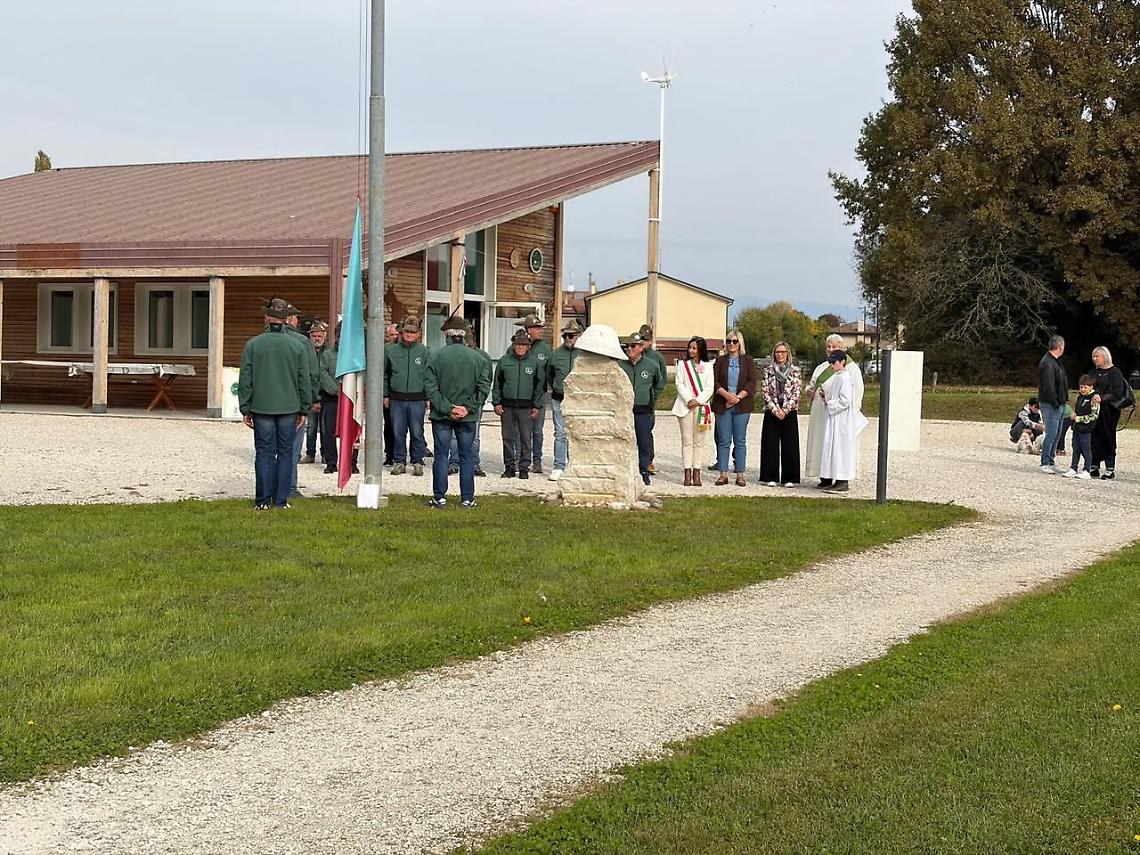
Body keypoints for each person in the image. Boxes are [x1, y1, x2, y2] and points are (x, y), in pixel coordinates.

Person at [237, 298, 312, 510]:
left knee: (264, 453)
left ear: (269, 318)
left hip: (261, 407)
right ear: (286, 319)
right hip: (289, 407)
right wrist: (304, 408)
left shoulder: (253, 344)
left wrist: (245, 407)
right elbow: (303, 379)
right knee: (286, 453)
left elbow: (245, 378)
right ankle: (281, 500)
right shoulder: (297, 345)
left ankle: (262, 500)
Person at [423, 315, 491, 508]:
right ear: (463, 335)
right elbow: (484, 387)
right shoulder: (478, 358)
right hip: (467, 416)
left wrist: (447, 408)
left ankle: (439, 497)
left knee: (441, 455)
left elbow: (431, 388)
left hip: (442, 415)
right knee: (467, 456)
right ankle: (467, 498)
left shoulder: (435, 357)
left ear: (447, 334)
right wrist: (467, 408)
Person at [805, 333, 864, 489]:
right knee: (822, 443)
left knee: (837, 446)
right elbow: (811, 384)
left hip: (839, 415)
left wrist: (853, 414)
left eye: (834, 347)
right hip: (821, 413)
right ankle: (824, 475)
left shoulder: (851, 368)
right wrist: (809, 391)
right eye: (828, 347)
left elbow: (857, 392)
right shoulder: (822, 367)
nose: (831, 349)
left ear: (842, 348)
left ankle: (840, 478)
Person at [493, 329, 545, 479]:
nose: (520, 347)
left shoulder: (534, 363)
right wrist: (496, 402)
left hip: (526, 407)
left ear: (528, 346)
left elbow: (539, 386)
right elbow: (497, 383)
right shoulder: (504, 361)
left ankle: (524, 467)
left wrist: (537, 406)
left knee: (525, 438)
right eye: (518, 344)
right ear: (513, 345)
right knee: (507, 437)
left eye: (523, 344)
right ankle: (509, 467)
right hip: (507, 406)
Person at [384, 316, 431, 476]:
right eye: (406, 332)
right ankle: (399, 461)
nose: (409, 335)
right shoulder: (390, 351)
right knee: (398, 431)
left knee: (417, 431)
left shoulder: (425, 352)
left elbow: (429, 376)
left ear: (418, 334)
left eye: (413, 332)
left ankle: (417, 461)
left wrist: (428, 397)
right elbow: (384, 374)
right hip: (396, 398)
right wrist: (385, 395)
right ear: (401, 333)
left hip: (417, 399)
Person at [817, 350, 869, 494]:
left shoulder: (845, 378)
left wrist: (830, 403)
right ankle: (833, 478)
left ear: (843, 362)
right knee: (833, 448)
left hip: (842, 420)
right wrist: (826, 398)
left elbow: (845, 400)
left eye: (834, 362)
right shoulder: (839, 377)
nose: (832, 365)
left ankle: (842, 480)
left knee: (840, 449)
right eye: (830, 362)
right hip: (836, 418)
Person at [711, 329, 757, 487]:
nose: (731, 344)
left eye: (735, 341)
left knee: (740, 440)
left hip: (741, 406)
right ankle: (723, 473)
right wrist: (726, 395)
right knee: (723, 440)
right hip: (723, 405)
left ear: (740, 343)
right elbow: (715, 381)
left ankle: (740, 474)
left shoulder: (748, 361)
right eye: (729, 341)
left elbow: (752, 382)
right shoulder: (720, 361)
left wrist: (737, 397)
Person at [284, 304, 320, 497]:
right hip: (294, 403)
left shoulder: (259, 341)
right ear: (290, 319)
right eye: (296, 317)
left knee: (269, 449)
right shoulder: (302, 342)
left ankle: (269, 487)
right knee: (291, 448)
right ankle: (289, 487)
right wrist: (312, 400)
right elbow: (311, 374)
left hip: (266, 405)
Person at [447, 318, 491, 478]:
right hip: (455, 400)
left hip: (474, 402)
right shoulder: (452, 355)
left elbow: (487, 380)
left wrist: (480, 399)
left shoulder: (482, 357)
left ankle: (474, 462)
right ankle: (454, 462)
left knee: (475, 435)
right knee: (453, 435)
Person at [621, 332, 665, 485]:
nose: (629, 349)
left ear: (641, 347)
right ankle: (625, 470)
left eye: (633, 346)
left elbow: (659, 384)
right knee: (624, 442)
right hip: (624, 411)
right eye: (627, 346)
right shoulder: (621, 365)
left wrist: (651, 398)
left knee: (643, 442)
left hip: (643, 411)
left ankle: (643, 470)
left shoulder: (651, 365)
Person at [671, 335, 714, 486]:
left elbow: (710, 387)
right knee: (687, 441)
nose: (691, 350)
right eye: (690, 347)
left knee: (699, 442)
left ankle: (697, 473)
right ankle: (687, 474)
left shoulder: (708, 367)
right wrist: (689, 399)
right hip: (685, 406)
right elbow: (679, 384)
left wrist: (698, 400)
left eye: (694, 348)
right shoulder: (683, 365)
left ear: (701, 350)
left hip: (702, 407)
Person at [759, 340, 802, 487]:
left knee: (790, 445)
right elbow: (764, 391)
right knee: (770, 445)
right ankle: (770, 476)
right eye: (778, 352)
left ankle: (789, 477)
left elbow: (797, 392)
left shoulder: (794, 370)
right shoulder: (768, 370)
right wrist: (775, 409)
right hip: (772, 410)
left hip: (789, 411)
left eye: (783, 352)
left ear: (787, 354)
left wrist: (785, 409)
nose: (780, 355)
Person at [517, 314, 552, 474]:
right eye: (537, 328)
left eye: (540, 328)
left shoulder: (544, 349)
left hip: (539, 396)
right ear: (528, 330)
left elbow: (549, 372)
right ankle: (520, 459)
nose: (540, 331)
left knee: (537, 431)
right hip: (521, 397)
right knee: (521, 430)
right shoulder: (518, 345)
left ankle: (537, 461)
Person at [548, 320, 581, 481]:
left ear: (578, 336)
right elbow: (550, 375)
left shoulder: (584, 354)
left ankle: (575, 464)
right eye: (566, 335)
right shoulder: (556, 354)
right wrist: (556, 387)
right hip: (559, 398)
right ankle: (559, 465)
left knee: (577, 433)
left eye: (571, 335)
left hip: (579, 400)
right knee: (560, 433)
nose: (568, 338)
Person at [1090, 345, 1130, 480]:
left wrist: (1103, 398)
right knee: (1094, 437)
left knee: (1108, 436)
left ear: (1105, 357)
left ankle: (1110, 468)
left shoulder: (1115, 372)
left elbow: (1118, 392)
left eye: (1097, 356)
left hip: (1109, 410)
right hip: (1095, 409)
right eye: (1094, 356)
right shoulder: (1093, 372)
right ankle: (1093, 466)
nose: (1095, 359)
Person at [1036, 334, 1068, 474]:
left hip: (1059, 403)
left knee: (1058, 433)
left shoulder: (1055, 361)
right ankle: (1045, 461)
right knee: (1051, 433)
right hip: (1051, 404)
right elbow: (1049, 386)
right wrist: (1055, 402)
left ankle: (1051, 459)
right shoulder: (1048, 363)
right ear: (1060, 346)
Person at [639, 323, 667, 474]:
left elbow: (660, 381)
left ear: (650, 341)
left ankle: (649, 461)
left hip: (648, 403)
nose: (644, 342)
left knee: (646, 431)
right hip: (632, 403)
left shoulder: (657, 358)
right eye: (642, 339)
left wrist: (652, 397)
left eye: (646, 340)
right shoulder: (632, 353)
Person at [1061, 376, 1100, 479]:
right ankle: (1073, 468)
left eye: (1085, 387)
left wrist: (1079, 418)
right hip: (1077, 428)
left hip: (1086, 429)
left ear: (1091, 387)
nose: (1083, 389)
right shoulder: (1079, 397)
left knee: (1086, 448)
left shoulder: (1094, 399)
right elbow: (1077, 410)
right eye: (1081, 387)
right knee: (1076, 448)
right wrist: (1073, 415)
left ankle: (1087, 470)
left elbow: (1094, 416)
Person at [301, 321, 328, 465]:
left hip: (325, 395)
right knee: (311, 427)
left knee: (325, 427)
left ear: (324, 336)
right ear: (310, 336)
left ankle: (325, 454)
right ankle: (310, 453)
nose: (317, 338)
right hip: (310, 394)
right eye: (314, 336)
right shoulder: (305, 351)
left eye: (319, 335)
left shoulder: (328, 352)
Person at [383, 322, 398, 466]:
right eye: (391, 335)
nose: (394, 337)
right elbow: (384, 373)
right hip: (390, 393)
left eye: (396, 334)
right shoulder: (385, 350)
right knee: (389, 425)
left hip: (404, 394)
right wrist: (385, 394)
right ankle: (389, 454)